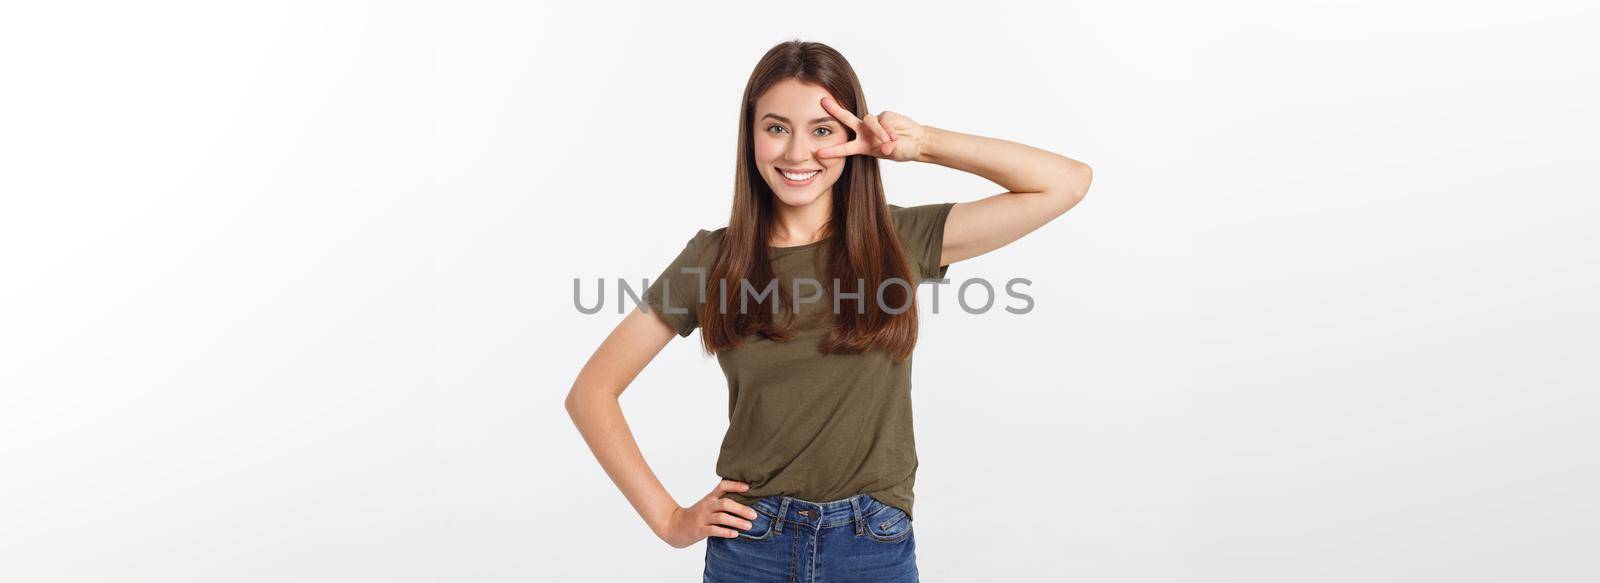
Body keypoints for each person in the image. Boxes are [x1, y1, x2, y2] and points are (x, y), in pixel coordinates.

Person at [565, 39, 1092, 582]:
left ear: (851, 136)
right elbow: (591, 393)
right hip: (752, 547)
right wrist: (671, 520)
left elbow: (1066, 182)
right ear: (750, 137)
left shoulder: (899, 240)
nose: (797, 154)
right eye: (776, 128)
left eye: (821, 130)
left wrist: (921, 144)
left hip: (872, 545)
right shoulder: (712, 260)